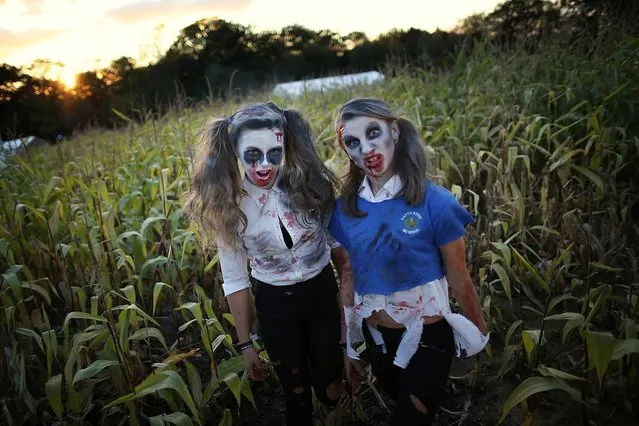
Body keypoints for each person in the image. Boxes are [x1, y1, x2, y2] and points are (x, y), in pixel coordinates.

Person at [328, 98, 490, 425]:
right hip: (377, 339)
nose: (366, 149)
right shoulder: (344, 210)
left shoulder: (436, 202)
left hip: (429, 337)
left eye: (374, 133)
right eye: (353, 142)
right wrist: (348, 345)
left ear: (395, 131)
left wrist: (480, 333)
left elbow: (459, 276)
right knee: (403, 402)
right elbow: (347, 276)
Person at [184, 101, 346, 425]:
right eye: (252, 154)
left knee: (332, 390)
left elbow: (341, 252)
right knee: (296, 397)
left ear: (285, 144)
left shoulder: (309, 183)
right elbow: (235, 279)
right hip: (276, 305)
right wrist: (245, 345)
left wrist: (349, 315)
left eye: (273, 153)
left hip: (322, 294)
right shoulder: (228, 203)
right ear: (234, 151)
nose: (263, 166)